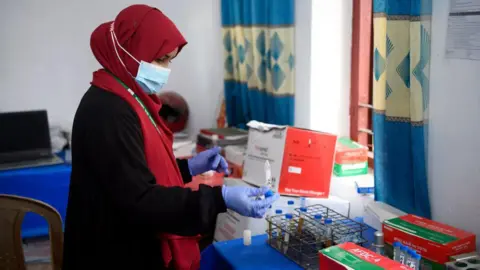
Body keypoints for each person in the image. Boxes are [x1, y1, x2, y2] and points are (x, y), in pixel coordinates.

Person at [62, 4, 278, 270]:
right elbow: (140, 199)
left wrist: (189, 167)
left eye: (170, 60)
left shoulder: (126, 96)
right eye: (160, 59)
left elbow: (132, 172)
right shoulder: (109, 110)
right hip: (112, 252)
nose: (166, 69)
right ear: (131, 53)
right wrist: (221, 198)